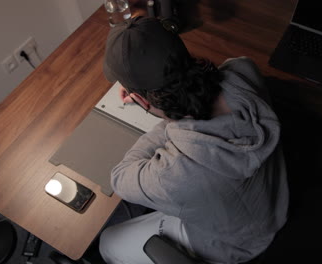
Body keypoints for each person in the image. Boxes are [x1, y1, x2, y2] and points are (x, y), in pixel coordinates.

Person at [99, 16, 289, 264]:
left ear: (142, 100)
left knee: (109, 242)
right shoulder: (244, 71)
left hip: (237, 243)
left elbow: (120, 177)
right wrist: (172, 105)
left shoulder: (174, 175)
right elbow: (214, 87)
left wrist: (166, 115)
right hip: (273, 200)